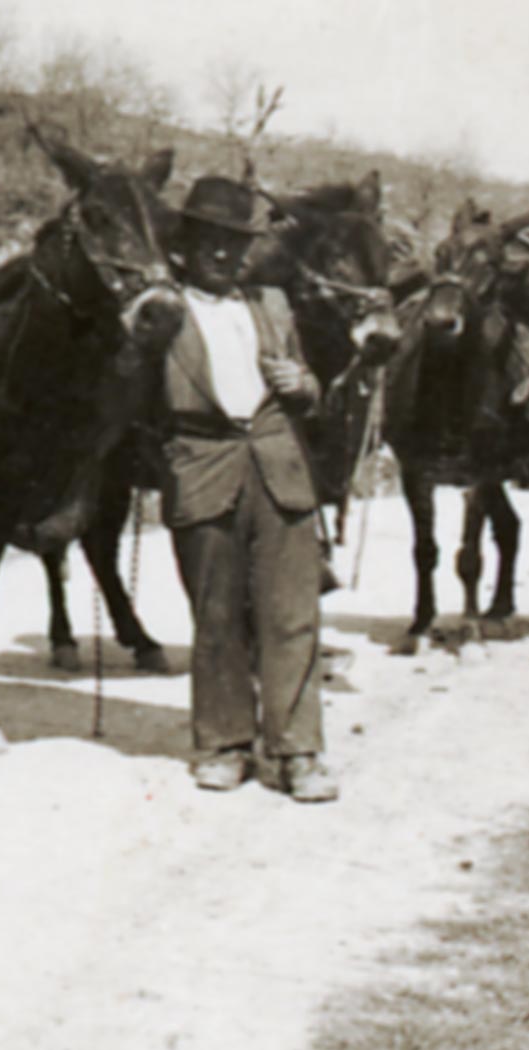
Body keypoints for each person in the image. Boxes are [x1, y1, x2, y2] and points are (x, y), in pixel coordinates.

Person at [154, 176, 338, 802]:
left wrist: (303, 383)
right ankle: (225, 744)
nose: (226, 255)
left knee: (293, 616)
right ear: (186, 246)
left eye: (237, 243)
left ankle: (299, 751)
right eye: (212, 241)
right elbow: (128, 390)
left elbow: (312, 388)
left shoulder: (274, 305)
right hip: (202, 470)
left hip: (279, 472)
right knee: (216, 618)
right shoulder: (163, 309)